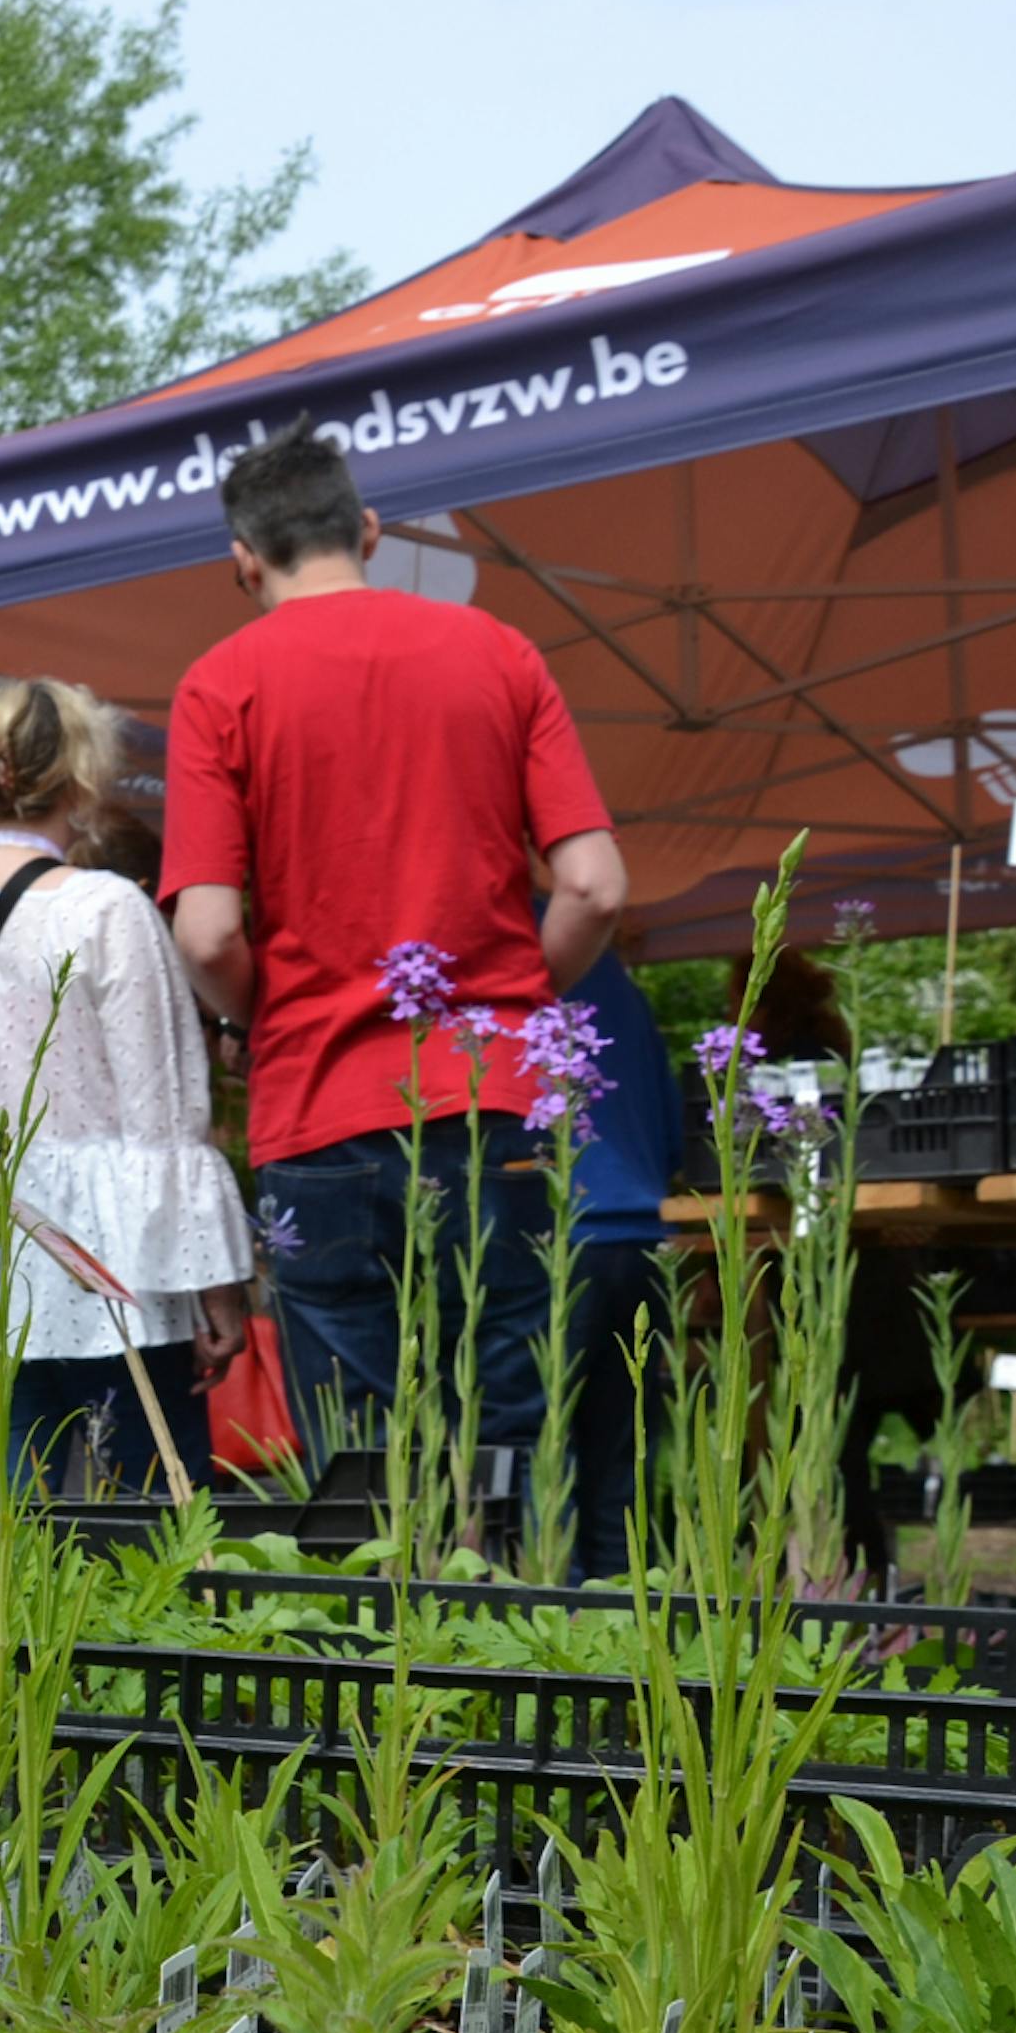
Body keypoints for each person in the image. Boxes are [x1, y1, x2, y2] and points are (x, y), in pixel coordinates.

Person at [163, 417, 627, 1466]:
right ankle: (508, 1626)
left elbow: (206, 931)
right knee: (511, 1446)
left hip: (320, 1114)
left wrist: (260, 1015)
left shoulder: (218, 687)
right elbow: (594, 886)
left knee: (360, 1466)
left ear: (243, 559)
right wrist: (510, 1000)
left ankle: (388, 1633)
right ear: (368, 530)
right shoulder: (501, 653)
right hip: (496, 1102)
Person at [0, 677, 253, 1492]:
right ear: (86, 777)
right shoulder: (111, 912)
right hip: (115, 1265)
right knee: (146, 1532)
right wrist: (215, 1282)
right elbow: (161, 1117)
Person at [553, 936, 680, 1578]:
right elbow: (674, 1125)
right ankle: (621, 1644)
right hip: (641, 1233)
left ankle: (555, 1647)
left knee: (544, 1459)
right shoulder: (615, 976)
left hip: (558, 1234)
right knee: (621, 1463)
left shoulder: (500, 948)